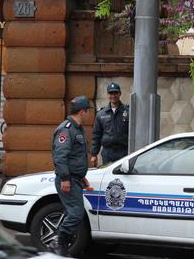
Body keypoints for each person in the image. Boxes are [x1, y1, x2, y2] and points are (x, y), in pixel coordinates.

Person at [51, 95, 92, 256]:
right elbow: (60, 157)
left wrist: (81, 176)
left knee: (72, 213)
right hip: (67, 180)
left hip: (76, 179)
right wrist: (66, 178)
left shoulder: (77, 128)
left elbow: (76, 156)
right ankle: (59, 243)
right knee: (76, 213)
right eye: (88, 110)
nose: (89, 114)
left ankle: (62, 249)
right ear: (82, 111)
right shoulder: (66, 129)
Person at [90, 82, 129, 167]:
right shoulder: (101, 114)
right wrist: (94, 154)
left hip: (124, 152)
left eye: (115, 93)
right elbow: (96, 135)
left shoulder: (128, 112)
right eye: (111, 93)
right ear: (107, 95)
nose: (113, 96)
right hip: (108, 153)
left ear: (120, 94)